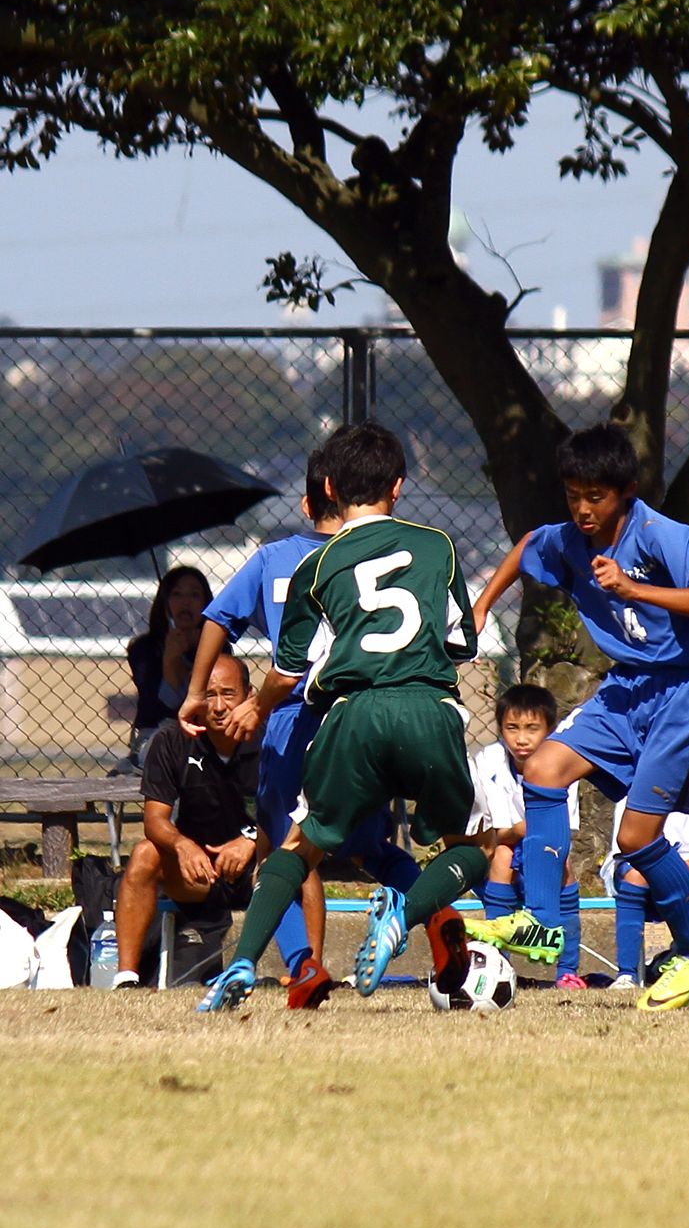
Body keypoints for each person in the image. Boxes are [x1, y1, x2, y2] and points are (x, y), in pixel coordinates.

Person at [196, 421, 490, 1011]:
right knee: (471, 847)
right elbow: (462, 644)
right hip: (427, 710)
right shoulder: (437, 546)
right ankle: (405, 915)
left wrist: (257, 705)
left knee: (294, 848)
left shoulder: (313, 566)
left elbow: (288, 669)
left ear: (328, 487)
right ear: (398, 487)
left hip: (349, 718)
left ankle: (244, 963)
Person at [472, 423, 689, 1012]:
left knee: (635, 838)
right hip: (627, 688)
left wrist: (634, 590)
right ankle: (541, 920)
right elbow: (528, 544)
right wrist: (482, 605)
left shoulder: (665, 537)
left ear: (627, 491)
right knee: (542, 769)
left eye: (596, 497)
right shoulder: (569, 540)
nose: (583, 509)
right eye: (574, 496)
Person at [178, 446, 423, 1006]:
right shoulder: (385, 551)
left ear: (312, 499)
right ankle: (444, 929)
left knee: (279, 853)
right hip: (364, 715)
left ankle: (301, 965)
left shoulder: (275, 559)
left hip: (292, 717)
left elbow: (219, 617)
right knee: (372, 848)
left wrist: (194, 692)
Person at [110, 654, 260, 988]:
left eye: (228, 694)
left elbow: (295, 816)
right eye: (208, 695)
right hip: (199, 874)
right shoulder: (172, 741)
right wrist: (182, 845)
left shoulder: (273, 738)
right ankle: (126, 979)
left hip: (259, 870)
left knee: (294, 863)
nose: (218, 707)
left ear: (249, 694)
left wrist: (251, 840)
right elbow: (154, 819)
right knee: (145, 854)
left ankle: (306, 972)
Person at [464, 684, 582, 985]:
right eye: (512, 728)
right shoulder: (488, 760)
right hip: (500, 850)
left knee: (564, 864)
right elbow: (497, 834)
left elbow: (558, 834)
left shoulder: (563, 762)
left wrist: (528, 833)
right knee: (503, 857)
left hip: (543, 853)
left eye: (532, 728)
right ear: (500, 729)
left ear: (550, 729)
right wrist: (522, 831)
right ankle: (498, 964)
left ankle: (567, 971)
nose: (521, 739)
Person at [599, 791, 689, 989]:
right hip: (643, 863)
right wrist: (680, 882)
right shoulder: (637, 787)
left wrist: (685, 878)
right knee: (636, 875)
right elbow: (632, 847)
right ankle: (627, 975)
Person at [126, 566, 211, 767]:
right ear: (164, 604)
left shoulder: (217, 647)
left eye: (194, 595)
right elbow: (166, 705)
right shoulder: (144, 649)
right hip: (157, 736)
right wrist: (170, 659)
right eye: (176, 594)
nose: (185, 602)